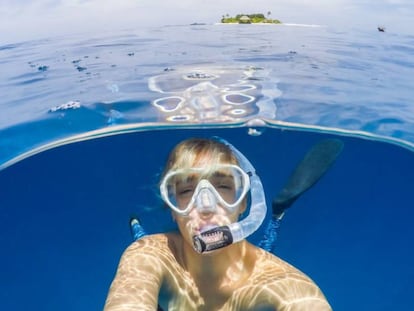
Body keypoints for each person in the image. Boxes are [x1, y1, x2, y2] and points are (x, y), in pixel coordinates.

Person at [104, 137, 332, 311]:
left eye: (223, 187)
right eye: (186, 191)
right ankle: (136, 224)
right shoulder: (149, 256)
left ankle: (277, 214)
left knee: (267, 243)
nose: (206, 207)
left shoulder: (285, 283)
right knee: (141, 239)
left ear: (244, 203)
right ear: (172, 209)